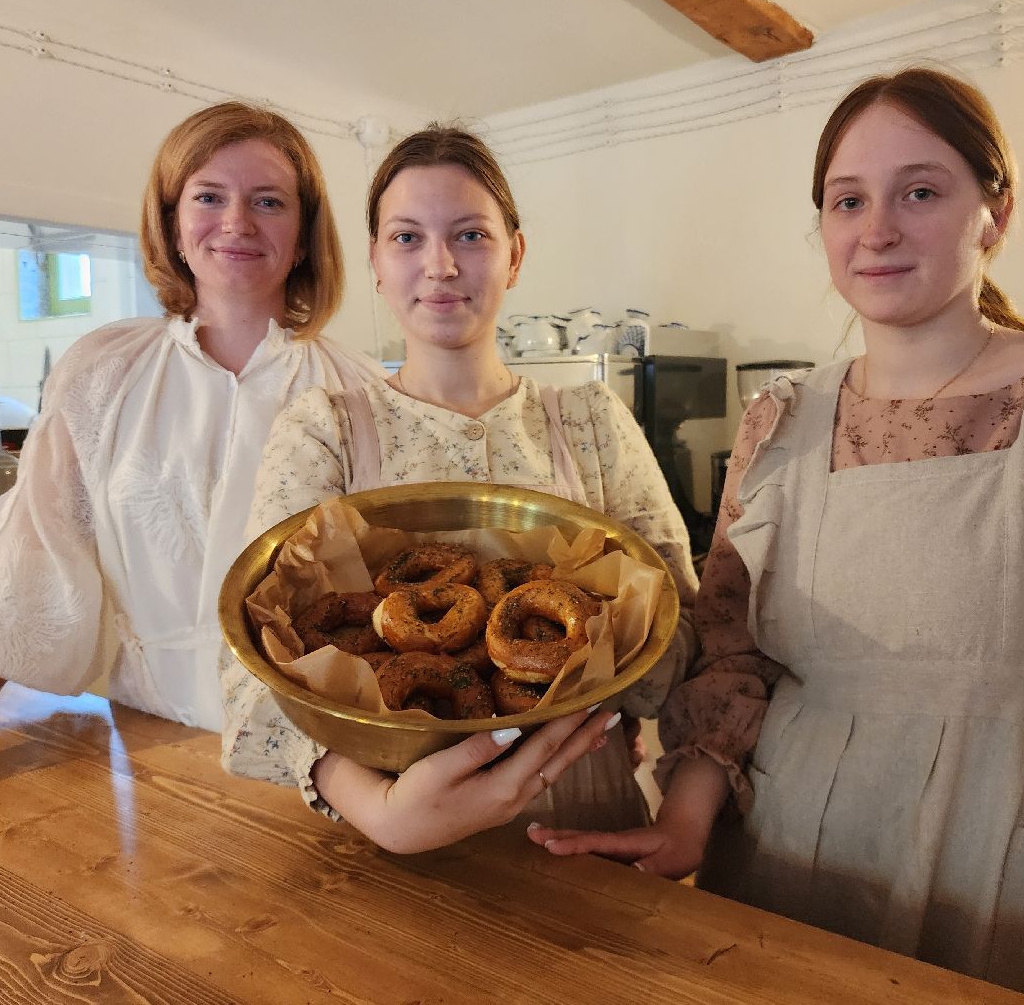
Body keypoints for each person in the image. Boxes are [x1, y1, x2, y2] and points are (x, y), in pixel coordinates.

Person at [530, 69, 1024, 1005]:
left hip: (1012, 894)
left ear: (995, 214)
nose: (875, 230)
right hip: (778, 879)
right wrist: (685, 818)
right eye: (848, 201)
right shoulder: (779, 423)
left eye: (919, 192)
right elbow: (732, 653)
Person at [0, 102, 384, 833]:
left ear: (305, 233)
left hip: (321, 763)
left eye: (269, 201)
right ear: (172, 223)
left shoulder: (360, 395)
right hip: (150, 747)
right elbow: (25, 571)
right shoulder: (103, 376)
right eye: (209, 197)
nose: (237, 222)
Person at [221, 125, 699, 854]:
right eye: (407, 238)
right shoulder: (324, 429)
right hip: (381, 817)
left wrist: (605, 679)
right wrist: (377, 809)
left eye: (470, 235)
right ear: (376, 263)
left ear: (516, 255)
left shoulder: (592, 422)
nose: (440, 265)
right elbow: (251, 663)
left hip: (580, 806)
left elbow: (679, 629)